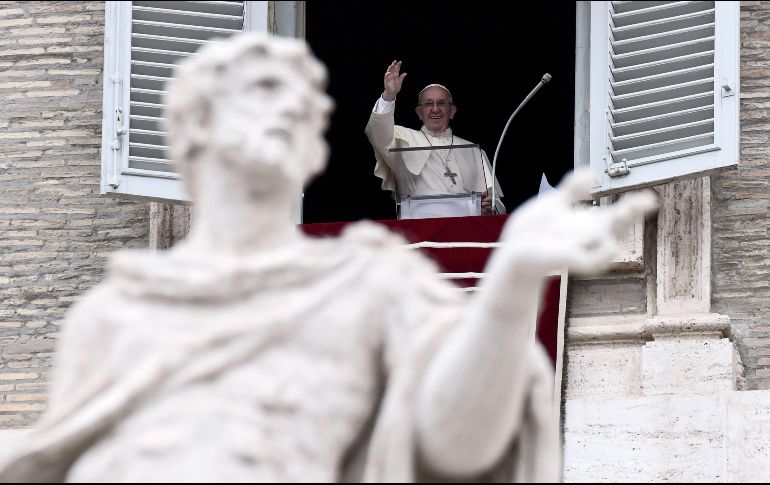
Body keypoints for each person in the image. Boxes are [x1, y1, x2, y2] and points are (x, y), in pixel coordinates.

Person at [0, 34, 655, 482]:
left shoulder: (374, 280)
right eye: (257, 92)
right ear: (188, 130)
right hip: (416, 219)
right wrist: (388, 97)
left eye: (437, 103)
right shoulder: (112, 315)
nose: (283, 109)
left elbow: (458, 444)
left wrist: (512, 279)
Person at [365, 60, 505, 217]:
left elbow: (497, 204)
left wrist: (490, 206)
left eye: (442, 103)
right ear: (419, 112)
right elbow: (377, 133)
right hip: (419, 231)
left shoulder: (474, 151)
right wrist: (389, 96)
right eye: (428, 104)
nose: (435, 109)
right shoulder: (402, 138)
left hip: (465, 233)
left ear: (452, 111)